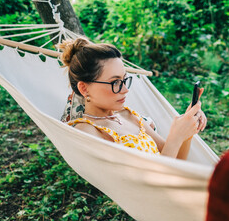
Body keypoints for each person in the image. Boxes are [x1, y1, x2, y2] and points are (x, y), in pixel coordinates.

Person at [58, 37, 207, 160]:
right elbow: (149, 185)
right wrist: (176, 135)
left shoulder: (129, 116)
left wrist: (187, 130)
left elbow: (177, 161)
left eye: (124, 80)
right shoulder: (87, 131)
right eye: (115, 82)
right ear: (84, 89)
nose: (125, 89)